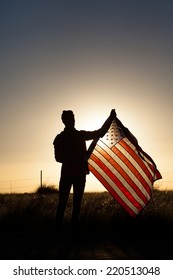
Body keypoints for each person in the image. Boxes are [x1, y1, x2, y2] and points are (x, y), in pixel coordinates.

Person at [53, 109, 116, 229]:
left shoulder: (80, 135)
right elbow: (58, 158)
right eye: (69, 118)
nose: (72, 120)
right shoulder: (60, 138)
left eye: (73, 118)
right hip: (67, 174)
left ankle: (73, 232)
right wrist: (74, 158)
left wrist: (110, 119)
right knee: (62, 203)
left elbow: (100, 133)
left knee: (76, 204)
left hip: (79, 175)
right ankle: (57, 231)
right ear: (64, 121)